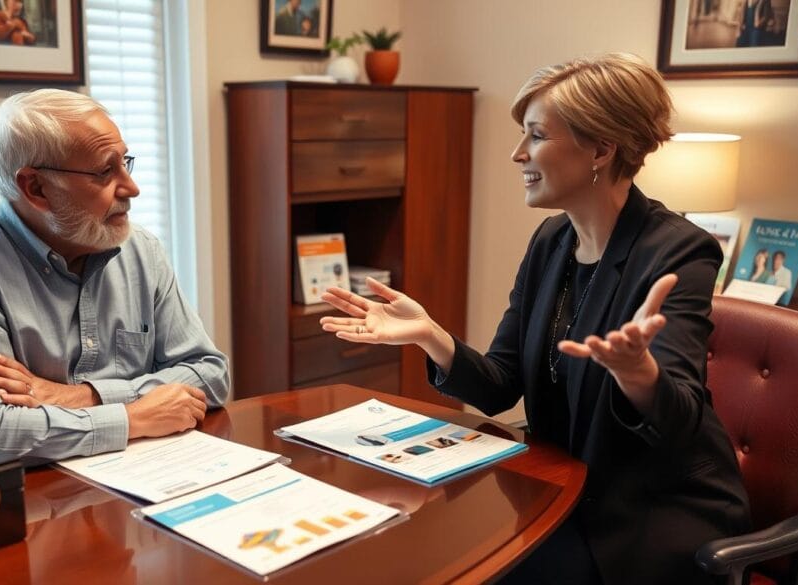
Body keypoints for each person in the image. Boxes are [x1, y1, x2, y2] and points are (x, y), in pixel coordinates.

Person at [320, 53, 750, 584]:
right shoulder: (552, 242)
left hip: (649, 508)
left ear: (602, 147)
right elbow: (502, 385)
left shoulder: (679, 252)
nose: (516, 153)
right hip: (562, 485)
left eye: (537, 136)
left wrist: (636, 371)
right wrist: (431, 336)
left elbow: (679, 421)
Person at [0, 89, 230, 461]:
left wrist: (81, 396)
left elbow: (209, 374)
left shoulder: (140, 249)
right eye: (105, 171)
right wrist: (131, 418)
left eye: (125, 163)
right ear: (36, 188)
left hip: (131, 474)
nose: (131, 188)